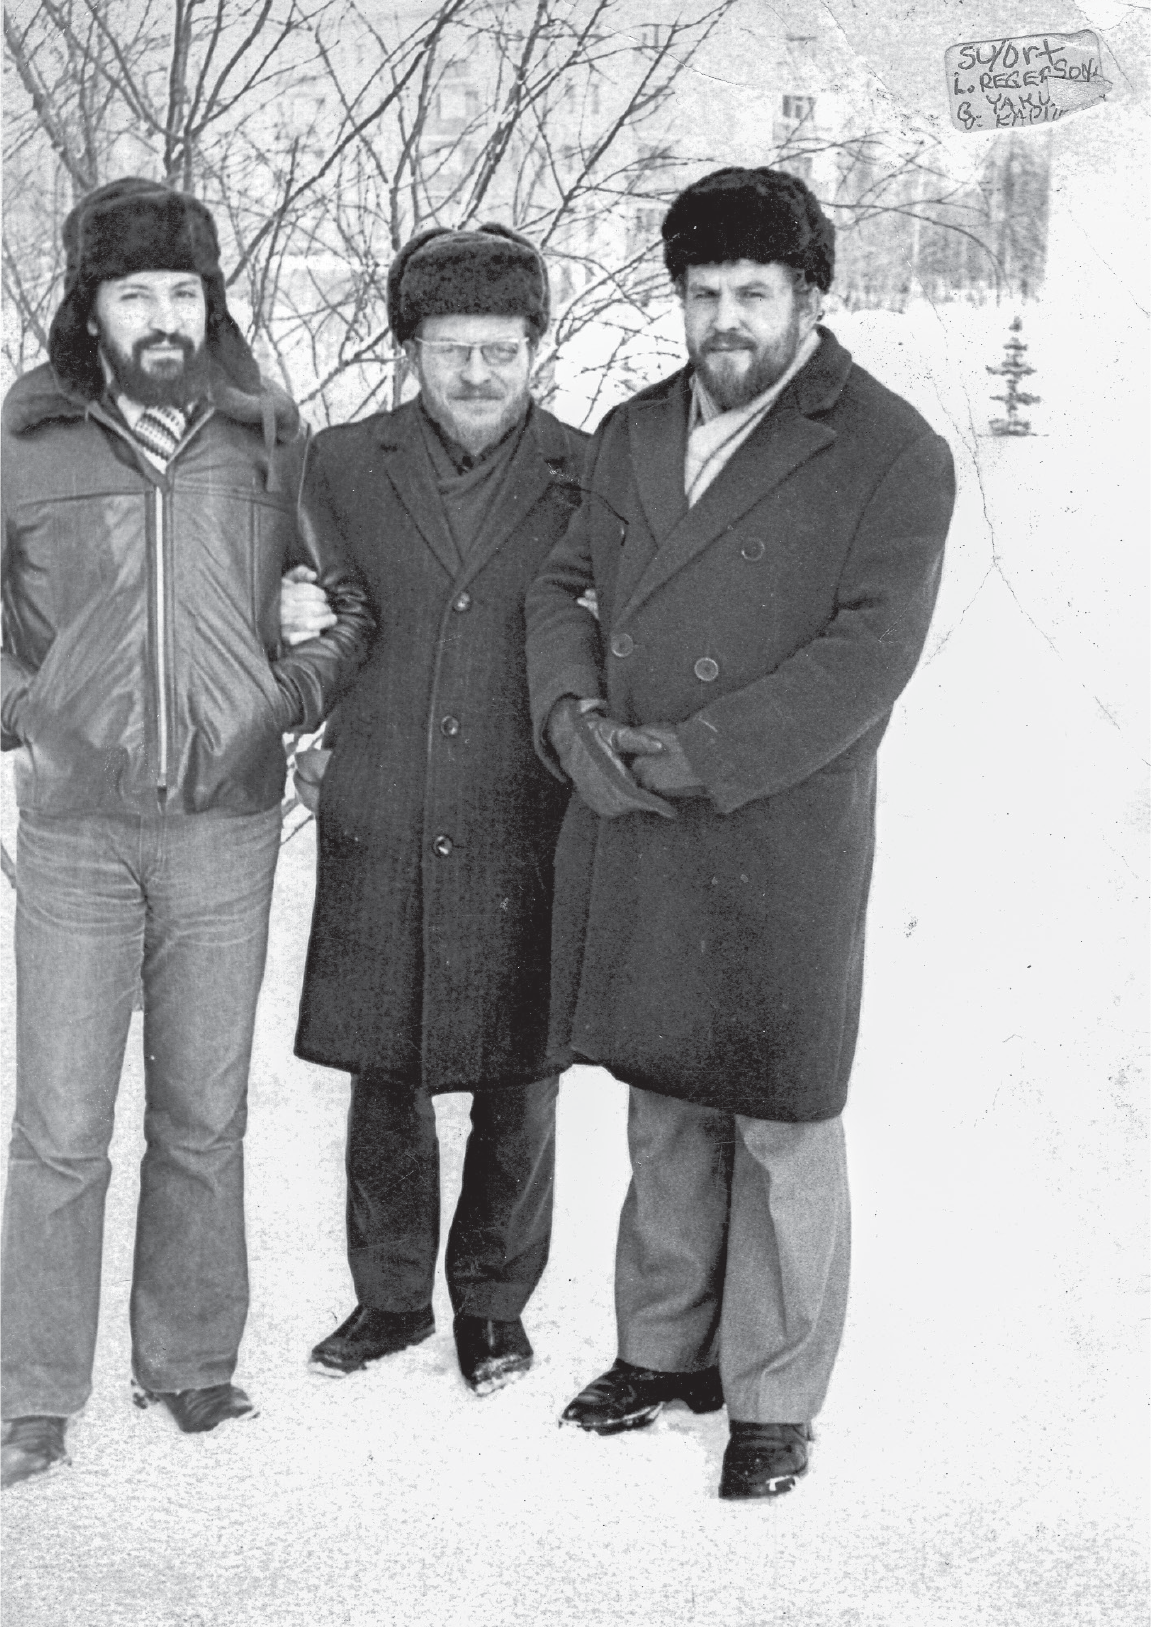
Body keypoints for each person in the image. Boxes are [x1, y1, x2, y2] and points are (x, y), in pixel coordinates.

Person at [525, 167, 956, 1499]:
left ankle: (770, 1395)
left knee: (776, 1104)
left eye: (752, 294)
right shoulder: (631, 427)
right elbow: (561, 582)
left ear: (810, 297)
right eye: (700, 294)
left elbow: (864, 656)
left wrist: (705, 751)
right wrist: (568, 711)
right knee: (664, 1090)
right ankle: (660, 1351)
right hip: (637, 799)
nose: (724, 321)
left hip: (778, 818)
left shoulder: (889, 448)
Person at [0, 178, 372, 1489]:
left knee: (203, 1111)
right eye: (132, 290)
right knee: (56, 1122)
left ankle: (192, 1359)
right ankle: (32, 1390)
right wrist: (38, 709)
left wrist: (282, 700)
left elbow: (350, 615)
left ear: (207, 303)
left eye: (180, 290)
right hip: (74, 840)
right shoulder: (26, 442)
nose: (160, 314)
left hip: (225, 829)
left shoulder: (270, 437)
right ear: (88, 307)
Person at [293, 225, 588, 1396]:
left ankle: (493, 1305)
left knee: (521, 1075)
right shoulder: (341, 462)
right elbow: (319, 608)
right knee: (386, 1065)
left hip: (527, 804)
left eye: (502, 351)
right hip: (385, 801)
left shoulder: (587, 466)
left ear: (535, 349)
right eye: (451, 349)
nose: (476, 375)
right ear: (408, 347)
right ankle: (389, 1296)